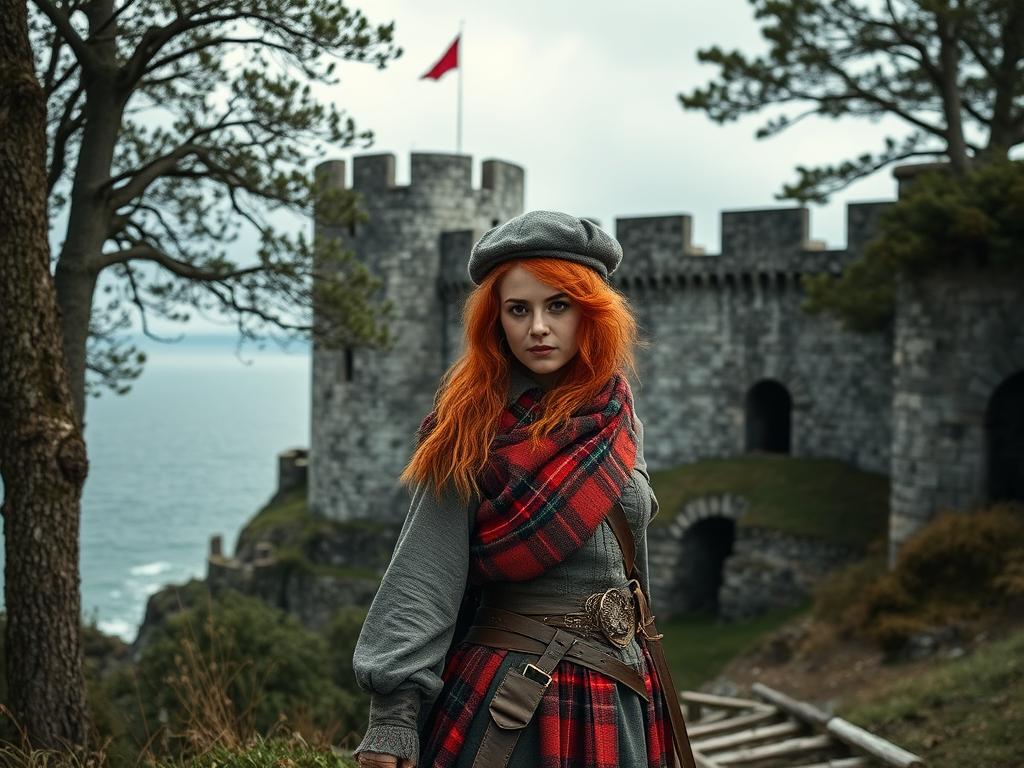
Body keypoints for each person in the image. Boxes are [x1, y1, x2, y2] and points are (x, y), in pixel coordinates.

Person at [351, 210, 696, 768]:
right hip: (516, 698)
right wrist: (392, 719)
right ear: (497, 321)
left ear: (591, 312)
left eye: (557, 305)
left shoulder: (618, 414)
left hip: (622, 688)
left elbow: (635, 572)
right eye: (519, 309)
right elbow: (424, 570)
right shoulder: (467, 426)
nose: (538, 326)